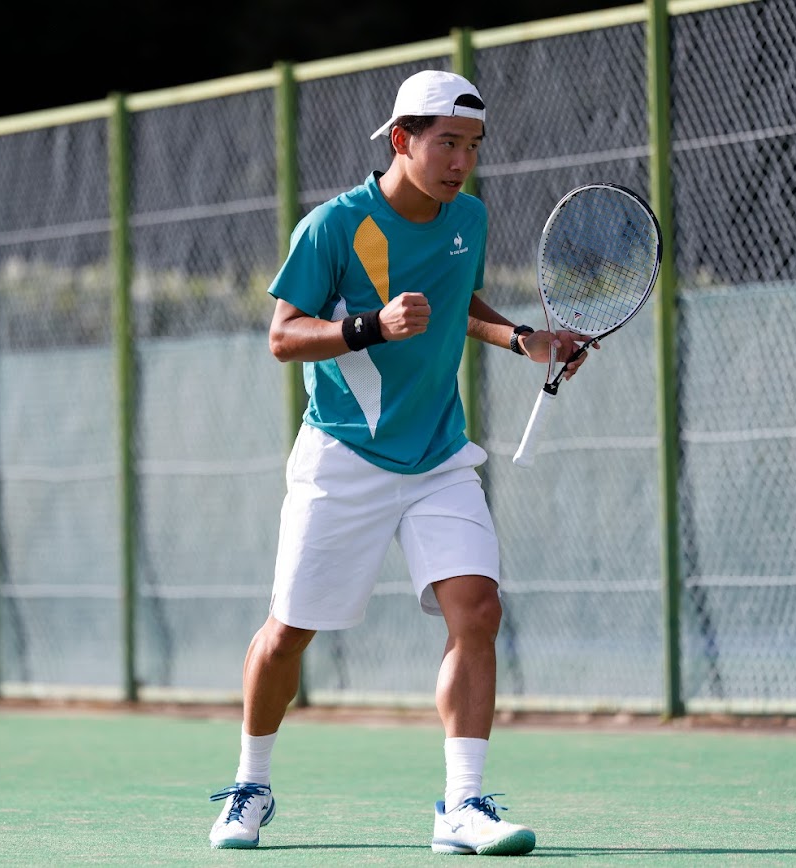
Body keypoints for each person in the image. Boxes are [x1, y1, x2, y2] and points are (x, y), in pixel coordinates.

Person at [206, 69, 593, 856]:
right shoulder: (333, 226)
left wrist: (524, 339)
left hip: (438, 457)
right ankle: (251, 784)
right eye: (448, 143)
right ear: (400, 140)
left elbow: (459, 301)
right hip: (341, 456)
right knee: (288, 635)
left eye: (473, 146)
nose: (462, 161)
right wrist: (369, 328)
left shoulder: (469, 218)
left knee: (477, 610)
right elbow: (283, 336)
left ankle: (462, 806)